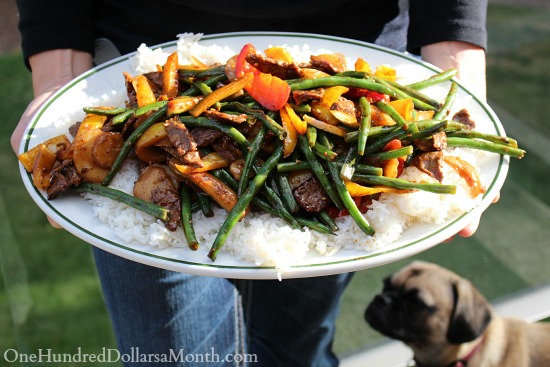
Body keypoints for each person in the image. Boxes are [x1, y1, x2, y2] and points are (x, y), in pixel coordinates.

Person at [13, 1, 490, 366]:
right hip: (152, 65)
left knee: (297, 347)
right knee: (176, 354)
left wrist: (463, 77)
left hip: (349, 61)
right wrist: (59, 83)